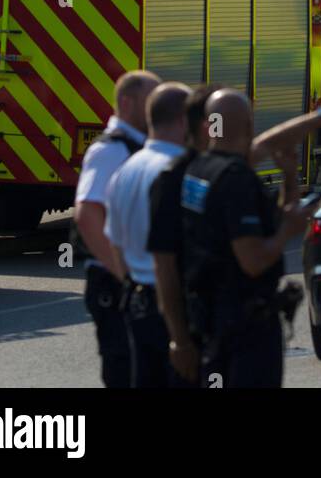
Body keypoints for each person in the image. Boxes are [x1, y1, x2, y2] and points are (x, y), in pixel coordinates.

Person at [181, 91, 321, 388]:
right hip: (244, 326)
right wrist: (289, 231)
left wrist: (289, 178)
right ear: (249, 126)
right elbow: (253, 260)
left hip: (208, 316)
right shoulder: (236, 179)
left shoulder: (199, 169)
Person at [73, 69, 160, 388]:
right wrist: (126, 275)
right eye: (151, 100)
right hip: (114, 284)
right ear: (127, 102)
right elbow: (88, 214)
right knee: (126, 371)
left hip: (132, 282)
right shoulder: (112, 150)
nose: (157, 110)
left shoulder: (141, 148)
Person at [105, 81, 191, 388]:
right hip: (175, 308)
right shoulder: (178, 172)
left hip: (137, 302)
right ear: (183, 120)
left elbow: (115, 242)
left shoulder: (125, 171)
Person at [148, 83, 221, 386]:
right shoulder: (181, 177)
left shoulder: (206, 171)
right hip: (197, 322)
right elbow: (163, 262)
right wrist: (180, 339)